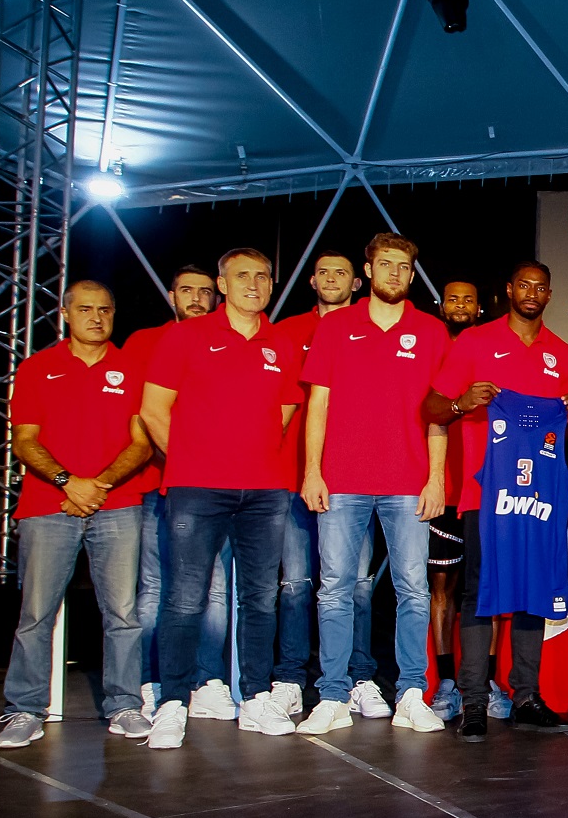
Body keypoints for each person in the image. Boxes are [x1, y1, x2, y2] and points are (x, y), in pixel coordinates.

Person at [139, 249, 303, 749]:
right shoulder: (186, 336)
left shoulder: (281, 342)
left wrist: (249, 457)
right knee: (186, 597)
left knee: (260, 597)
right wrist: (193, 461)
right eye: (242, 276)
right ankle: (172, 703)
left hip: (265, 490)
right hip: (197, 488)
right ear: (223, 284)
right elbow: (153, 410)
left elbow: (283, 411)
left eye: (263, 276)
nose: (254, 284)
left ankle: (255, 697)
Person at [296, 233, 450, 735]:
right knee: (335, 590)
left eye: (403, 266)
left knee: (414, 590)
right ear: (369, 270)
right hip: (342, 480)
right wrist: (313, 471)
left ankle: (411, 693)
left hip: (408, 482)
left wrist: (435, 478)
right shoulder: (336, 326)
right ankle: (333, 695)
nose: (394, 273)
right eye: (385, 264)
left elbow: (439, 413)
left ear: (411, 274)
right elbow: (317, 404)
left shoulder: (431, 332)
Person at [424, 262, 568, 738]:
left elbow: (567, 437)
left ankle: (526, 696)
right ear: (509, 290)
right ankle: (473, 701)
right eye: (524, 285)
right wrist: (461, 403)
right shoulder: (474, 342)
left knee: (534, 590)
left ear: (549, 295)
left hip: (539, 496)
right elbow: (431, 407)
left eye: (540, 287)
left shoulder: (562, 354)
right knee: (479, 592)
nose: (531, 293)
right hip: (485, 493)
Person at [0, 282, 154, 748]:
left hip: (116, 505)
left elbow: (142, 443)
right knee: (36, 614)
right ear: (65, 313)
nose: (96, 318)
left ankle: (124, 705)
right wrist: (69, 482)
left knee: (122, 613)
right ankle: (24, 710)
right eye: (85, 309)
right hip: (48, 506)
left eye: (105, 309)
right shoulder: (37, 367)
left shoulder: (133, 368)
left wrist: (96, 486)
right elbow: (24, 440)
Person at [270, 251, 383, 722]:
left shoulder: (375, 330)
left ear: (358, 282)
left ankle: (359, 678)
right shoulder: (286, 333)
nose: (332, 278)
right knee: (296, 585)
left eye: (341, 272)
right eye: (323, 272)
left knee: (356, 586)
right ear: (311, 281)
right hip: (292, 475)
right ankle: (291, 680)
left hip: (354, 480)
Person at [123, 265, 233, 721]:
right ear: (171, 295)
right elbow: (140, 413)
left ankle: (207, 680)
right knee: (156, 586)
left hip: (217, 488)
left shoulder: (228, 339)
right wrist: (186, 462)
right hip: (160, 483)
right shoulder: (145, 342)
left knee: (214, 588)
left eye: (205, 292)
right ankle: (154, 682)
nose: (197, 299)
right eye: (187, 290)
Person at [428, 280, 482, 720]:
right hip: (443, 488)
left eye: (468, 300)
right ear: (441, 306)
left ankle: (484, 682)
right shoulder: (430, 348)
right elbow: (428, 413)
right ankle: (446, 682)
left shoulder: (491, 348)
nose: (460, 306)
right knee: (441, 587)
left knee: (484, 588)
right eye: (452, 299)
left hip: (484, 489)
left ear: (479, 308)